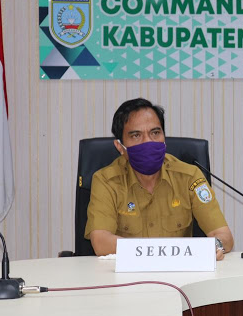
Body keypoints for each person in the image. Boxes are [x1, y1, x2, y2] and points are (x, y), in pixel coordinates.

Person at [84, 98, 234, 259]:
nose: (148, 142)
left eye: (155, 133)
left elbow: (224, 235)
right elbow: (101, 242)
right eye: (136, 135)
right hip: (127, 272)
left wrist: (216, 246)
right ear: (120, 146)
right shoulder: (106, 181)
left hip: (179, 271)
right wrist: (157, 253)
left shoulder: (189, 176)